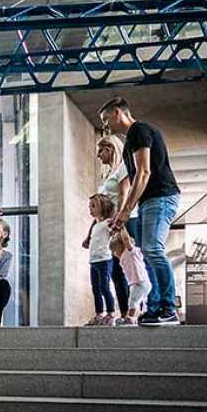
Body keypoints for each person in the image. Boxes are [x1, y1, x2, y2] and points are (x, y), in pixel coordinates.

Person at [99, 97, 181, 326]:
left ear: (118, 113)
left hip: (161, 196)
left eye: (106, 120)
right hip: (148, 200)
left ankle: (168, 307)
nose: (106, 126)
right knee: (146, 253)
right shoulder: (129, 141)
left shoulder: (140, 130)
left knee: (153, 249)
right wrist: (121, 213)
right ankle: (154, 307)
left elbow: (144, 172)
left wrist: (126, 210)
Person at [82, 135, 131, 324]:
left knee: (119, 274)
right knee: (113, 277)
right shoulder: (108, 174)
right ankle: (115, 313)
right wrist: (89, 234)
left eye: (100, 151)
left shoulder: (123, 168)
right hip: (106, 225)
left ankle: (125, 313)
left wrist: (117, 222)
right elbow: (98, 215)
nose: (98, 155)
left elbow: (123, 194)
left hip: (118, 224)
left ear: (110, 149)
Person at [109, 227, 152, 326]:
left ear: (122, 246)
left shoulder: (131, 252)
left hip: (141, 282)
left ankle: (130, 318)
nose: (115, 254)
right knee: (136, 301)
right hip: (135, 283)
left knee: (133, 301)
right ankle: (138, 317)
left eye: (115, 250)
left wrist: (122, 227)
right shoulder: (122, 257)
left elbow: (126, 239)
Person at [85, 194, 116, 326]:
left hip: (104, 260)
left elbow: (116, 230)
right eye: (89, 206)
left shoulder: (108, 223)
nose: (90, 209)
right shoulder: (96, 225)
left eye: (93, 206)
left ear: (103, 207)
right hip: (93, 261)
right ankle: (99, 314)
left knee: (104, 287)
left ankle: (110, 314)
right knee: (95, 289)